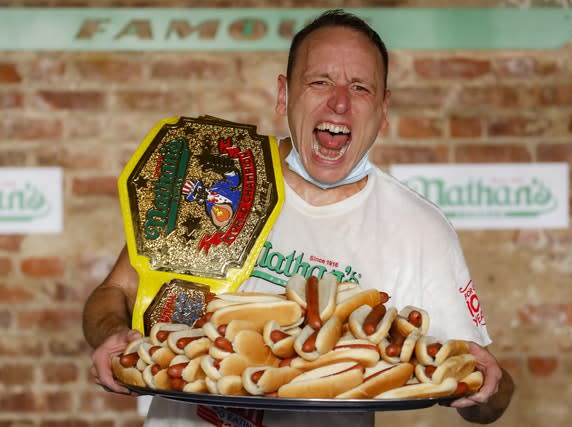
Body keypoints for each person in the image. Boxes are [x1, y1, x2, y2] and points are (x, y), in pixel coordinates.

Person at [83, 9, 514, 427]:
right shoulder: (215, 173)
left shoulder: (420, 229)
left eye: (360, 88)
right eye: (320, 81)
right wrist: (111, 334)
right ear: (284, 94)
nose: (340, 102)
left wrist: (487, 388)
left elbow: (482, 396)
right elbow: (115, 292)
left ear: (383, 110)